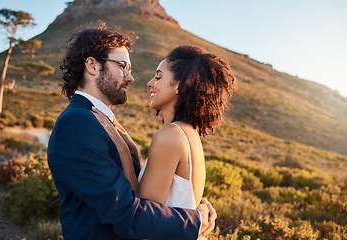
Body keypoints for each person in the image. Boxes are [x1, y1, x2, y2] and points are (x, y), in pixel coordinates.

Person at [47, 21, 216, 240]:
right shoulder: (76, 125)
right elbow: (126, 213)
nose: (131, 77)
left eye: (130, 69)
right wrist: (195, 220)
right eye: (122, 66)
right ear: (92, 65)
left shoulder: (102, 121)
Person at [94, 45, 236, 239]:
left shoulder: (169, 135)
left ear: (180, 85)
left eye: (159, 77)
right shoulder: (189, 134)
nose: (150, 83)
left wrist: (122, 150)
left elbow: (143, 216)